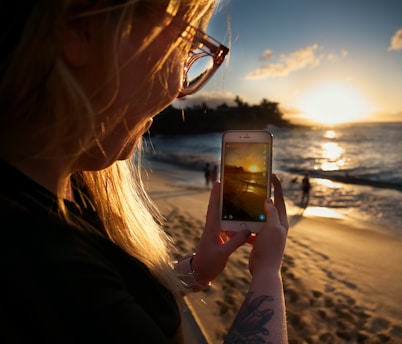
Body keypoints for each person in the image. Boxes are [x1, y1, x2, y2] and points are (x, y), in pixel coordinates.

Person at [0, 1, 289, 343]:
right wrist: (268, 272)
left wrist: (195, 272)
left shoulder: (71, 189)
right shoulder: (46, 263)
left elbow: (123, 295)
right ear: (79, 28)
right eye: (186, 49)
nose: (181, 90)